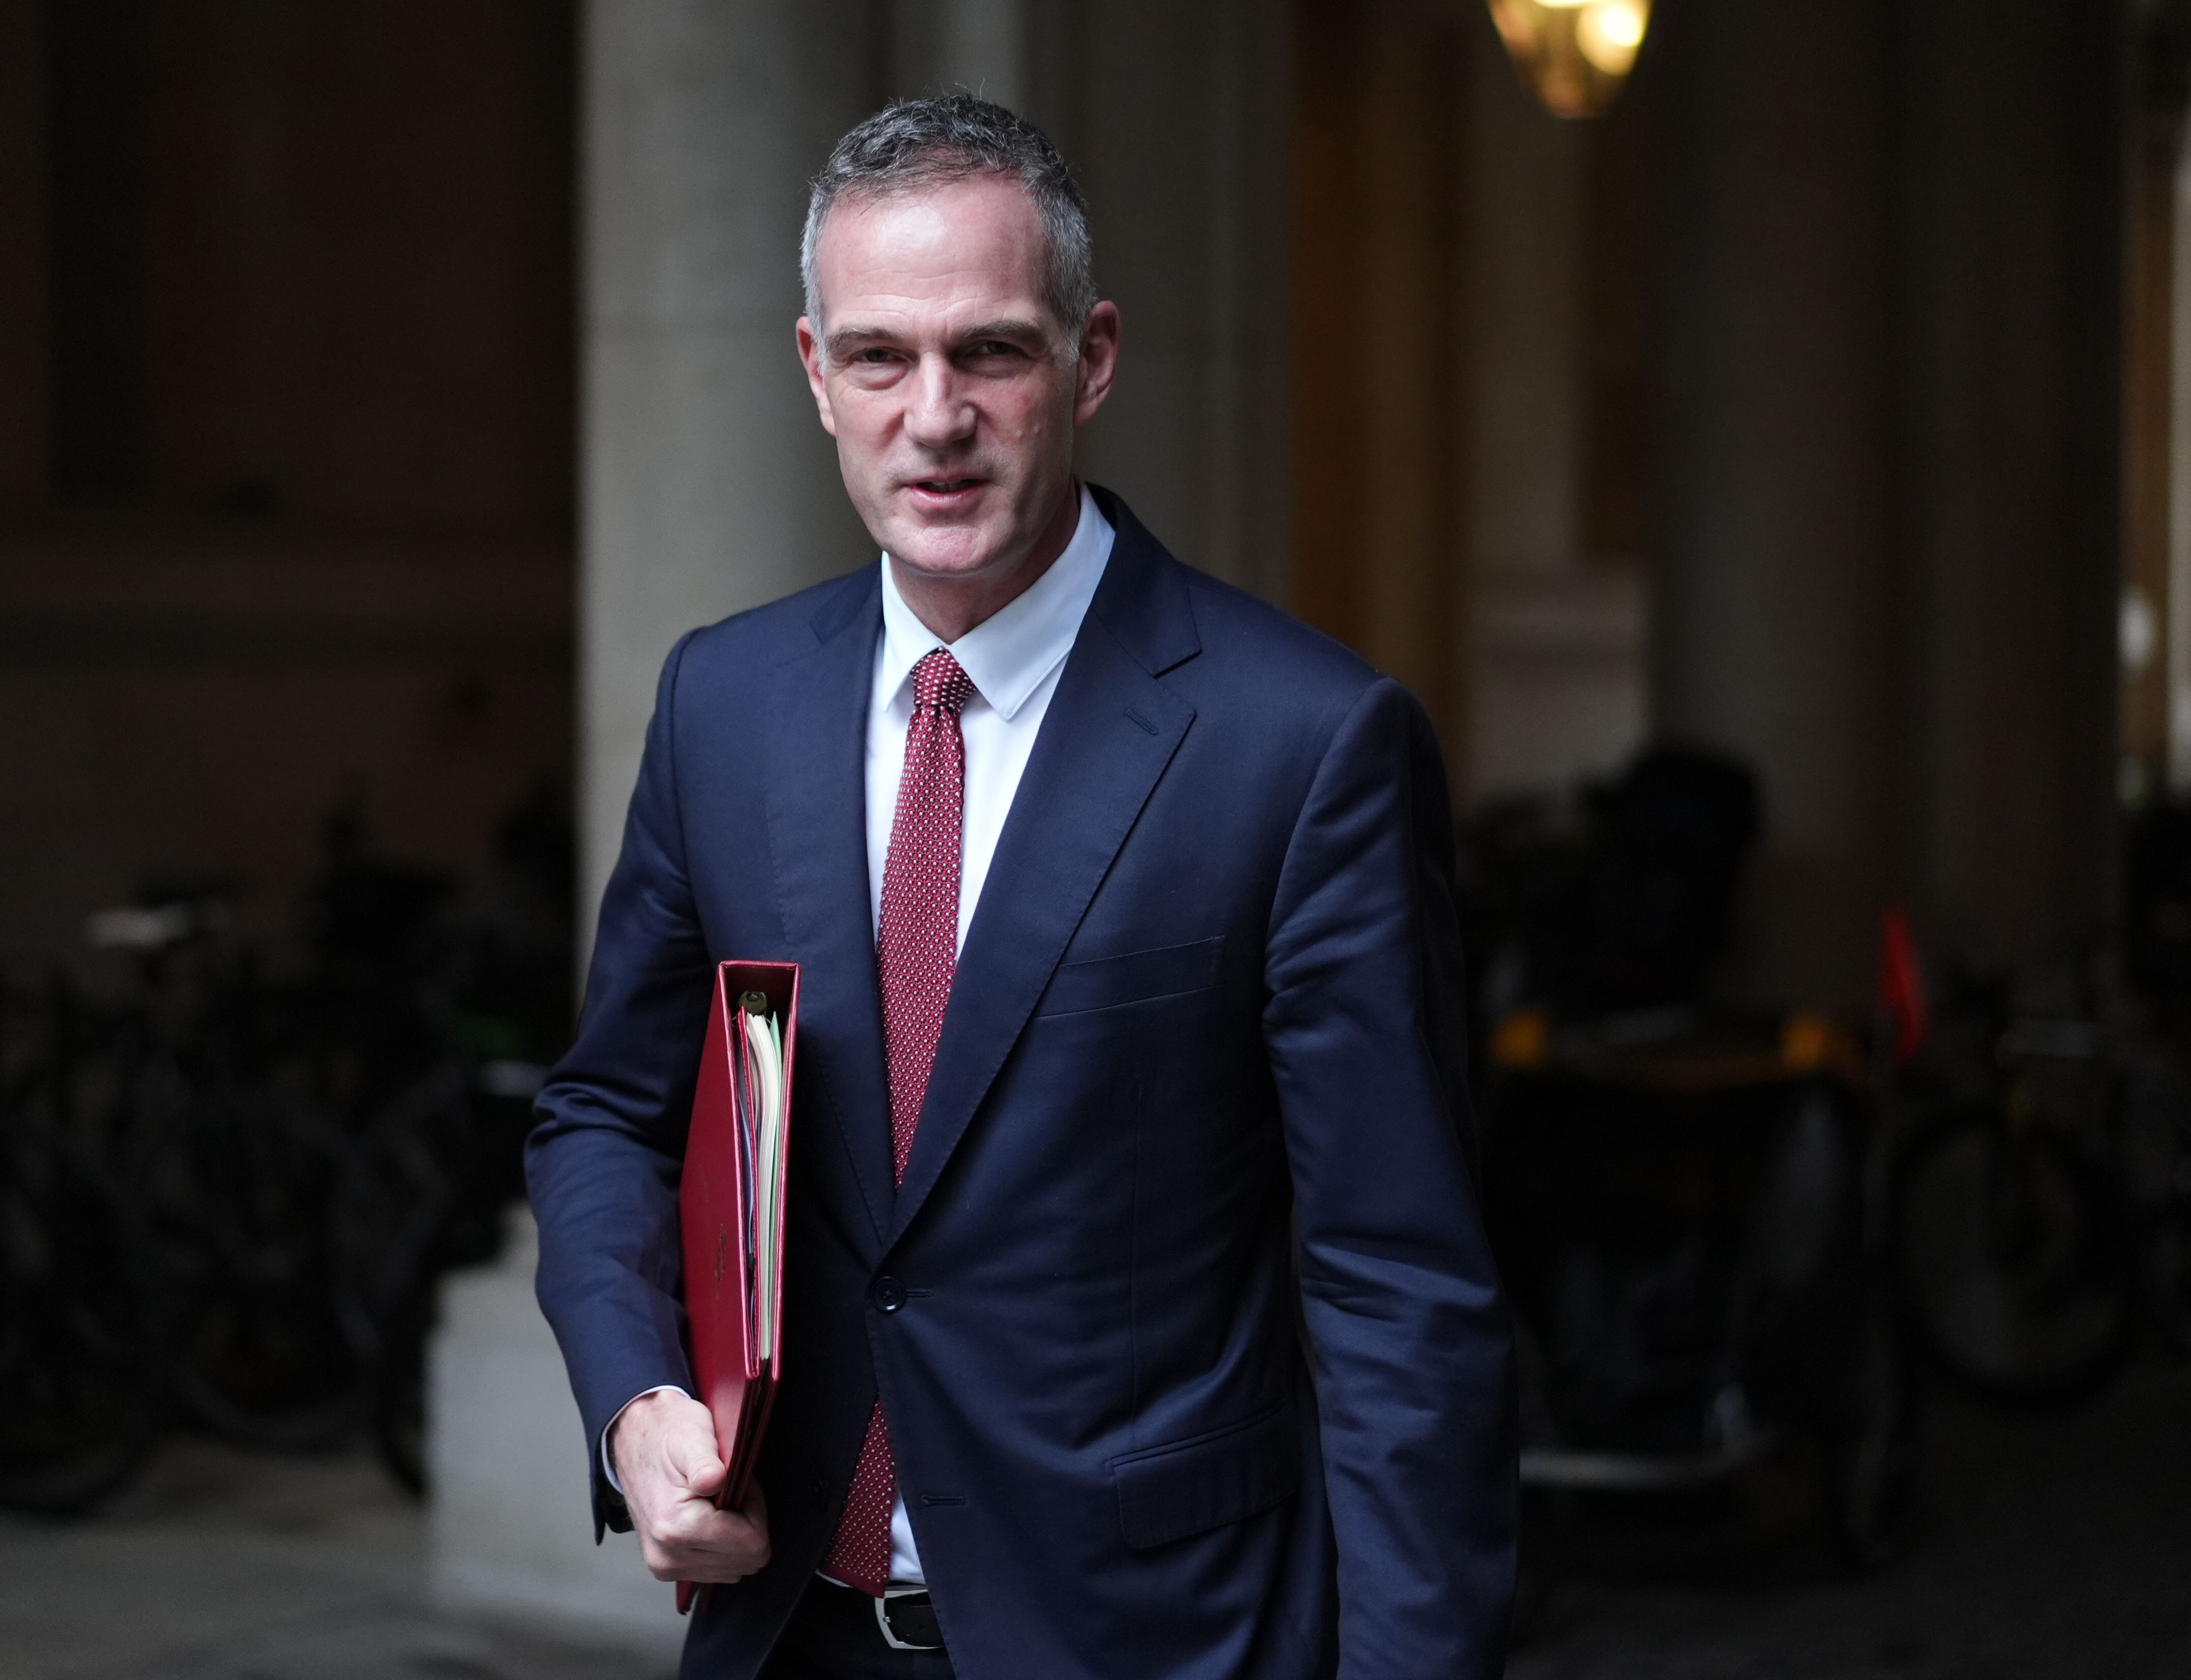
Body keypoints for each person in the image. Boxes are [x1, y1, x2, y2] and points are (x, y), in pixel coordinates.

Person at [528, 94, 1515, 1677]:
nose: (935, 415)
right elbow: (607, 1116)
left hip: (1155, 1641)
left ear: (1092, 359)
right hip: (790, 1636)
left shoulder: (1307, 744)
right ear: (813, 375)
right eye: (879, 358)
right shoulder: (724, 702)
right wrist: (638, 1405)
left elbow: (1399, 1292)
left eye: (988, 351)